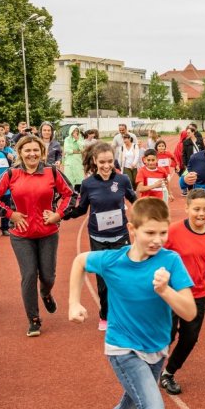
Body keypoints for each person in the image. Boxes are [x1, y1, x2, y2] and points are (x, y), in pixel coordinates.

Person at [68, 197, 197, 409]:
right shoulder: (113, 260)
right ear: (132, 229)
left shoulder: (171, 262)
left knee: (131, 406)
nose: (157, 240)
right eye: (150, 232)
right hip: (122, 348)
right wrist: (73, 302)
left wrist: (166, 291)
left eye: (163, 233)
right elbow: (80, 261)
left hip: (157, 350)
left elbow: (190, 311)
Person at [0, 135, 76, 336]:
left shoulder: (52, 172)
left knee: (48, 275)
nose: (32, 154)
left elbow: (71, 194)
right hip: (21, 234)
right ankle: (33, 319)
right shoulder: (11, 173)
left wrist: (58, 214)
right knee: (29, 275)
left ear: (42, 152)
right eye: (27, 150)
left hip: (48, 232)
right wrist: (10, 214)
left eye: (35, 150)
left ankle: (46, 292)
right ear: (20, 153)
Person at [65, 141, 137, 331]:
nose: (106, 166)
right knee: (103, 280)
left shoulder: (122, 180)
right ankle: (105, 316)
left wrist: (148, 215)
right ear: (95, 161)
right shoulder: (88, 184)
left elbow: (134, 200)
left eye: (110, 161)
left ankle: (125, 314)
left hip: (121, 236)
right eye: (102, 162)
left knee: (123, 276)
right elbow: (81, 209)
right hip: (98, 237)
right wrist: (63, 215)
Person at [160, 189, 205, 395]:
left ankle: (168, 373)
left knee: (189, 339)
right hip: (171, 293)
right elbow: (155, 253)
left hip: (197, 294)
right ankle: (150, 367)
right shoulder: (173, 231)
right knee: (165, 336)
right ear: (187, 208)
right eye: (196, 209)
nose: (201, 213)